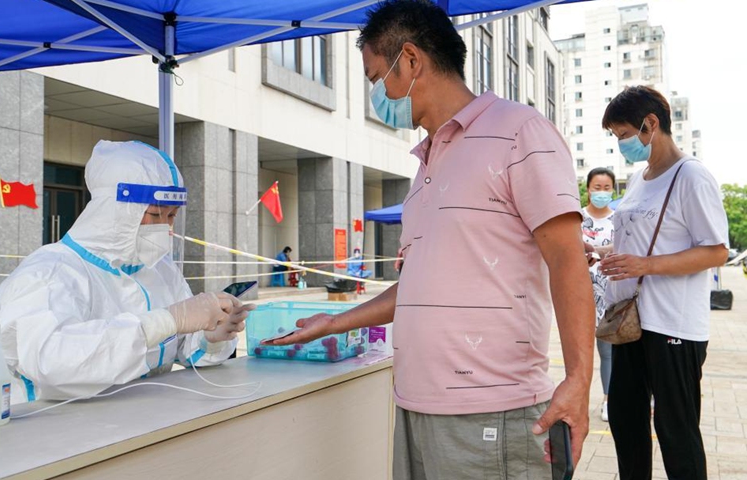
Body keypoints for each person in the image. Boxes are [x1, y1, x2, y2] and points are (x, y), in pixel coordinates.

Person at [267, 1, 596, 478]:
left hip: (491, 411)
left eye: (376, 77)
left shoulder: (521, 133)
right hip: (415, 404)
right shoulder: (425, 165)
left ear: (411, 60)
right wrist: (334, 322)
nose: (375, 95)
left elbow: (568, 262)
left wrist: (579, 380)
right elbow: (418, 287)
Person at [0, 140, 254, 402]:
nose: (165, 227)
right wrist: (167, 320)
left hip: (142, 420)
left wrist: (212, 337)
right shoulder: (50, 273)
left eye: (172, 215)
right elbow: (53, 363)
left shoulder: (160, 269)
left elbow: (181, 347)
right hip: (55, 429)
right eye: (155, 214)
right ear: (116, 211)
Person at [599, 86, 728, 479]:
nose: (620, 144)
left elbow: (716, 251)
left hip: (672, 324)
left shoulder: (692, 176)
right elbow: (637, 238)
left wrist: (645, 264)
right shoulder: (640, 178)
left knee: (675, 430)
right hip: (631, 321)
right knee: (625, 419)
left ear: (650, 124)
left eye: (623, 134)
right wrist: (607, 255)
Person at [581, 167, 616, 422]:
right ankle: (578, 402)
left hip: (610, 296)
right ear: (588, 189)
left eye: (606, 188)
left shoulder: (619, 220)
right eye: (597, 187)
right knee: (580, 354)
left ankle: (608, 400)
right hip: (580, 294)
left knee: (607, 353)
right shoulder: (576, 219)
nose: (601, 193)